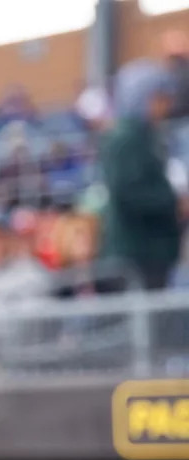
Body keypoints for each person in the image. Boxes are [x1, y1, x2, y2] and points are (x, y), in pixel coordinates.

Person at [99, 59, 182, 290]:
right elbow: (129, 192)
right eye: (160, 98)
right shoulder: (125, 138)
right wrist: (174, 203)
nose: (166, 106)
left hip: (153, 252)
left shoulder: (147, 136)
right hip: (138, 255)